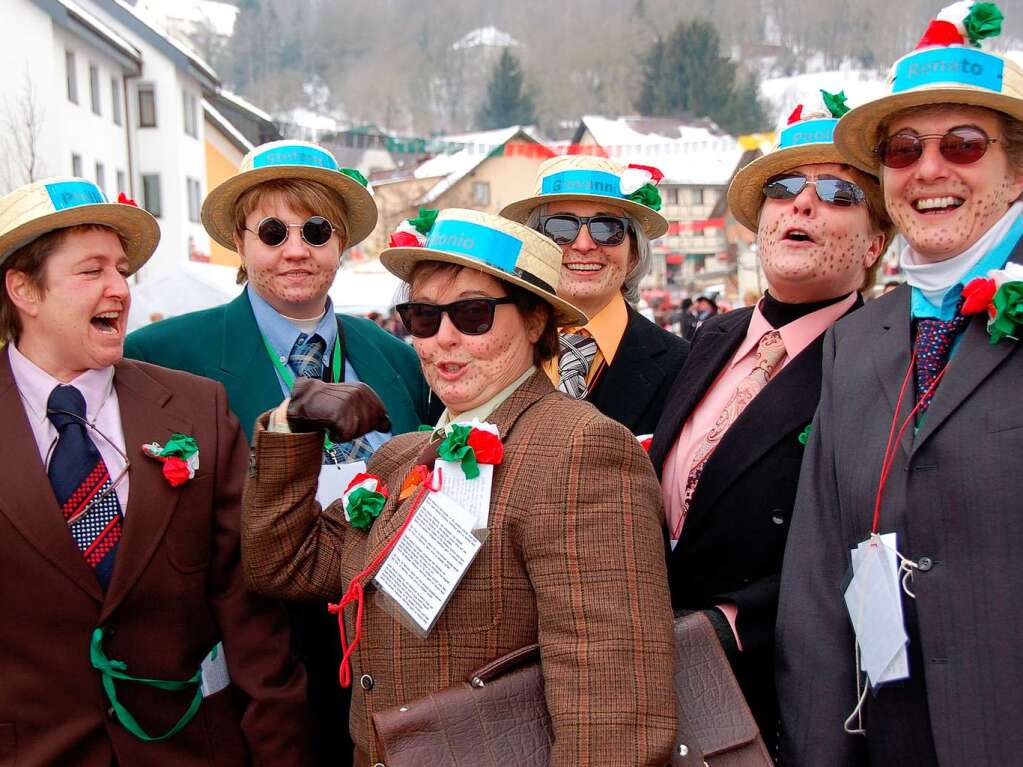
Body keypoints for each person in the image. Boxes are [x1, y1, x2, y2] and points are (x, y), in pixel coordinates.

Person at [242, 208, 678, 766]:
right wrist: (290, 424)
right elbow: (283, 565)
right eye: (423, 317)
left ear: (536, 323)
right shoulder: (401, 457)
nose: (442, 338)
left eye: (473, 315)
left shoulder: (580, 450)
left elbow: (614, 711)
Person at [124, 139, 433, 766]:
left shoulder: (396, 356)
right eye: (273, 231)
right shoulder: (161, 355)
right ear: (241, 243)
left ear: (341, 243)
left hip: (385, 651)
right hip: (249, 663)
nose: (296, 250)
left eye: (316, 231)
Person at [777, 5, 1023, 764]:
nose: (927, 170)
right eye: (902, 148)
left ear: (1015, 170)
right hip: (886, 735)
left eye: (963, 144)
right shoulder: (856, 338)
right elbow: (817, 581)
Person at [0, 177, 310, 764]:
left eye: (122, 270)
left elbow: (250, 619)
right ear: (24, 289)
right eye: (92, 271)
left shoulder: (197, 409)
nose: (120, 288)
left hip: (189, 749)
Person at [647, 93, 892, 756]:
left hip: (767, 692)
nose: (802, 204)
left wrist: (728, 622)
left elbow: (867, 544)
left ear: (873, 243)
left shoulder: (883, 359)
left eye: (838, 194)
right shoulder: (713, 334)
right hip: (652, 671)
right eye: (783, 189)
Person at [500, 155, 688, 435]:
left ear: (634, 252)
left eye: (608, 228)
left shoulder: (685, 366)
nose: (584, 244)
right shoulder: (489, 349)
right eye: (561, 228)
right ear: (536, 248)